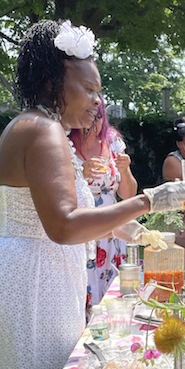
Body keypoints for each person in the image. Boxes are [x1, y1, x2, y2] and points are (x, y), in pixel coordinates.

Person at [0, 20, 185, 369]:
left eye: (99, 92)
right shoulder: (42, 130)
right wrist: (149, 200)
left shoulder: (42, 126)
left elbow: (78, 212)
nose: (97, 101)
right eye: (88, 89)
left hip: (30, 275)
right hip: (26, 283)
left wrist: (142, 233)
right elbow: (64, 225)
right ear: (51, 82)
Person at [69, 99, 137, 307]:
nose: (92, 124)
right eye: (88, 117)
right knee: (83, 292)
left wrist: (124, 170)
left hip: (112, 229)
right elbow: (54, 192)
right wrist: (79, 174)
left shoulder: (113, 141)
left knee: (114, 295)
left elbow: (129, 194)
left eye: (98, 118)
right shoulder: (65, 144)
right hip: (83, 228)